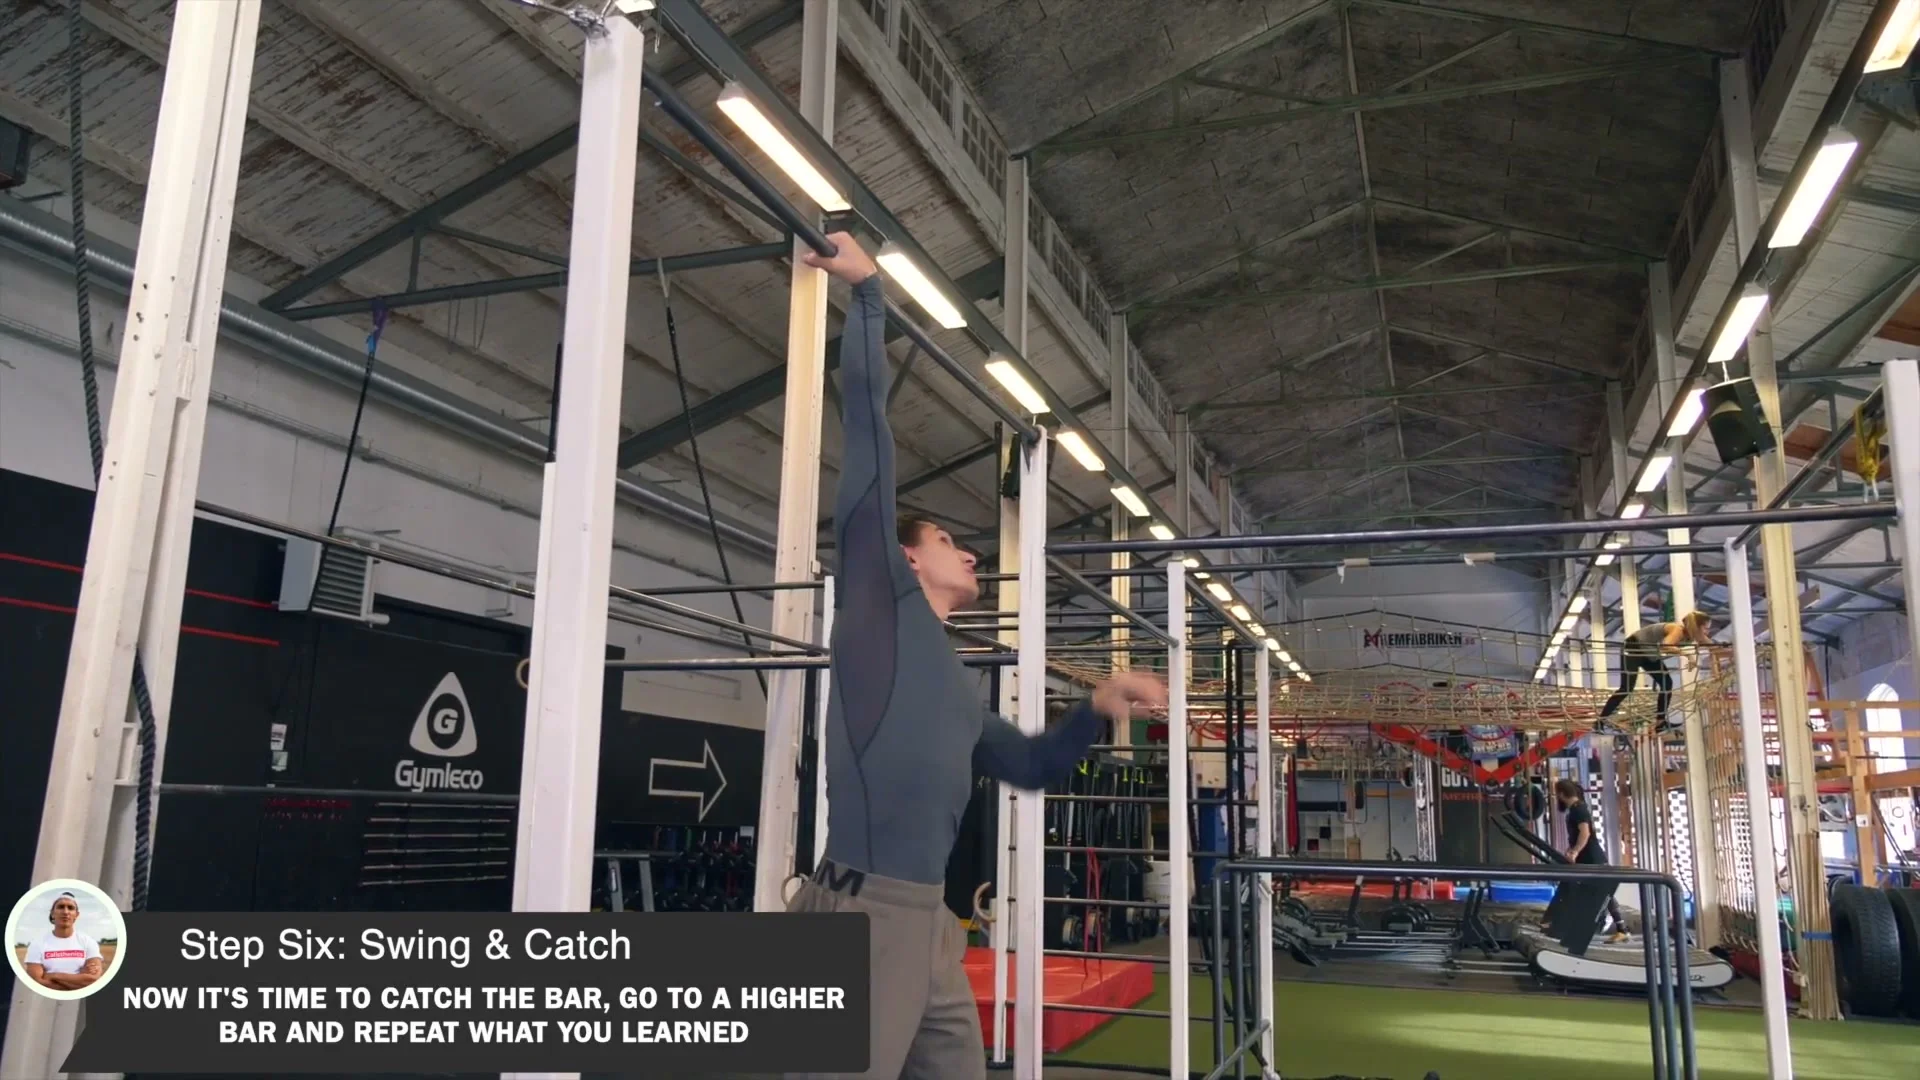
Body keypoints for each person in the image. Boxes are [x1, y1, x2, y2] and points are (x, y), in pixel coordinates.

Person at [786, 233, 1167, 1080]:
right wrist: (868, 295)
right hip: (862, 920)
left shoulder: (958, 685)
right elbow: (869, 442)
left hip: (933, 923)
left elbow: (1030, 765)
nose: (968, 550)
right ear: (906, 557)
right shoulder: (878, 610)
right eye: (948, 537)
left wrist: (1099, 705)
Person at [1597, 611, 1713, 733]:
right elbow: (1665, 645)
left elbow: (1712, 644)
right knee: (1626, 688)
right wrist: (1687, 655)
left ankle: (1660, 722)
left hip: (1649, 654)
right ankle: (1600, 721)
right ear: (1697, 627)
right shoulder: (1678, 630)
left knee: (1667, 683)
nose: (1707, 632)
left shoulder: (1694, 635)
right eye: (1706, 628)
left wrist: (1730, 649)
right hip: (1633, 649)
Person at [1552, 779, 1627, 943]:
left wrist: (1575, 851)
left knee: (1600, 893)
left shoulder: (1579, 809)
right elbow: (1578, 835)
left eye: (1557, 793)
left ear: (1562, 794)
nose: (1556, 797)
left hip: (1592, 858)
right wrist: (1571, 850)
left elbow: (1584, 833)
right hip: (1588, 857)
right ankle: (1621, 930)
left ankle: (1618, 930)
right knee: (1601, 893)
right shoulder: (1576, 808)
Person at [21, 891, 105, 993]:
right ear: (52, 913)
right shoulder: (37, 944)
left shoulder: (88, 942)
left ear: (76, 915)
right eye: (61, 907)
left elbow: (93, 980)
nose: (65, 912)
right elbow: (37, 982)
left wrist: (53, 975)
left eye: (70, 908)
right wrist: (79, 979)